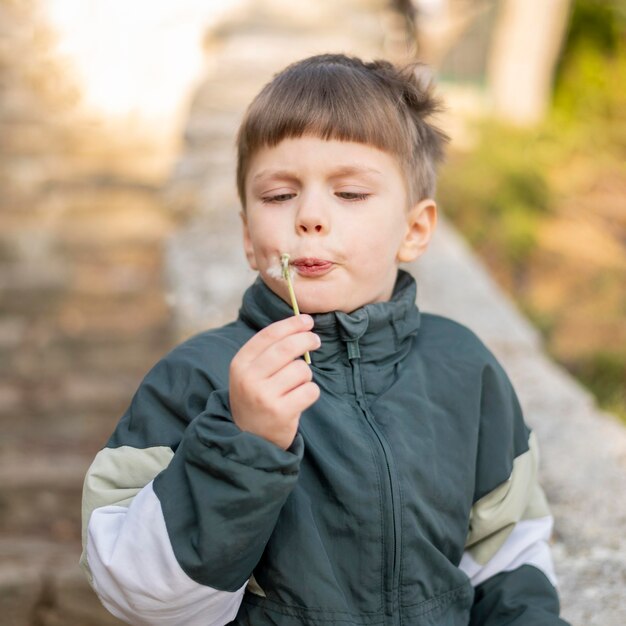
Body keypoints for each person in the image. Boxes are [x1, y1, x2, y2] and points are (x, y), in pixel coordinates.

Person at [80, 53, 569, 625]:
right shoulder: (196, 378)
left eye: (351, 194)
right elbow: (137, 592)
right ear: (247, 236)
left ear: (414, 230)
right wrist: (244, 443)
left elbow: (508, 560)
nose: (310, 216)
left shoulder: (465, 369)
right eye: (279, 195)